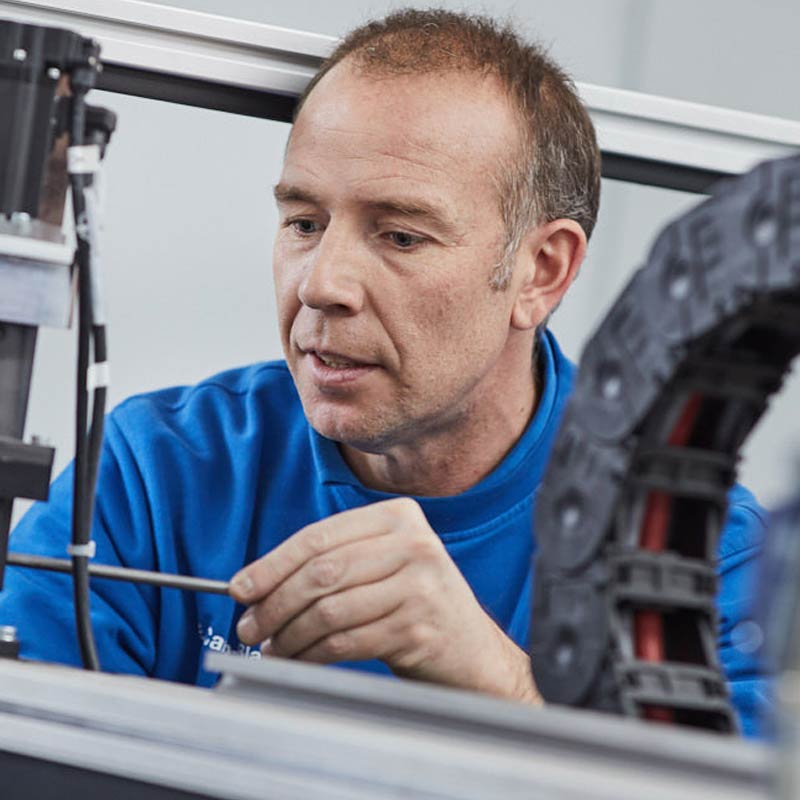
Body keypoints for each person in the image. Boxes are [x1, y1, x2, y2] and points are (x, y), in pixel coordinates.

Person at [0, 9, 766, 735]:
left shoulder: (693, 550)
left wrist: (499, 688)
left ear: (540, 272)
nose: (322, 283)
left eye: (400, 236)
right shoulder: (157, 475)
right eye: (304, 222)